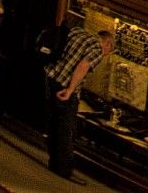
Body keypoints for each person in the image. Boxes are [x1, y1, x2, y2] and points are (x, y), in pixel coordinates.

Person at [46, 23, 111, 181]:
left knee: (55, 123)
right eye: (110, 50)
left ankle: (54, 161)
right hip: (65, 85)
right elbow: (83, 66)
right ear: (108, 43)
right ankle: (64, 169)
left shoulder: (77, 32)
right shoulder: (97, 48)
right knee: (67, 129)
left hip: (50, 75)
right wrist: (70, 89)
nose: (107, 54)